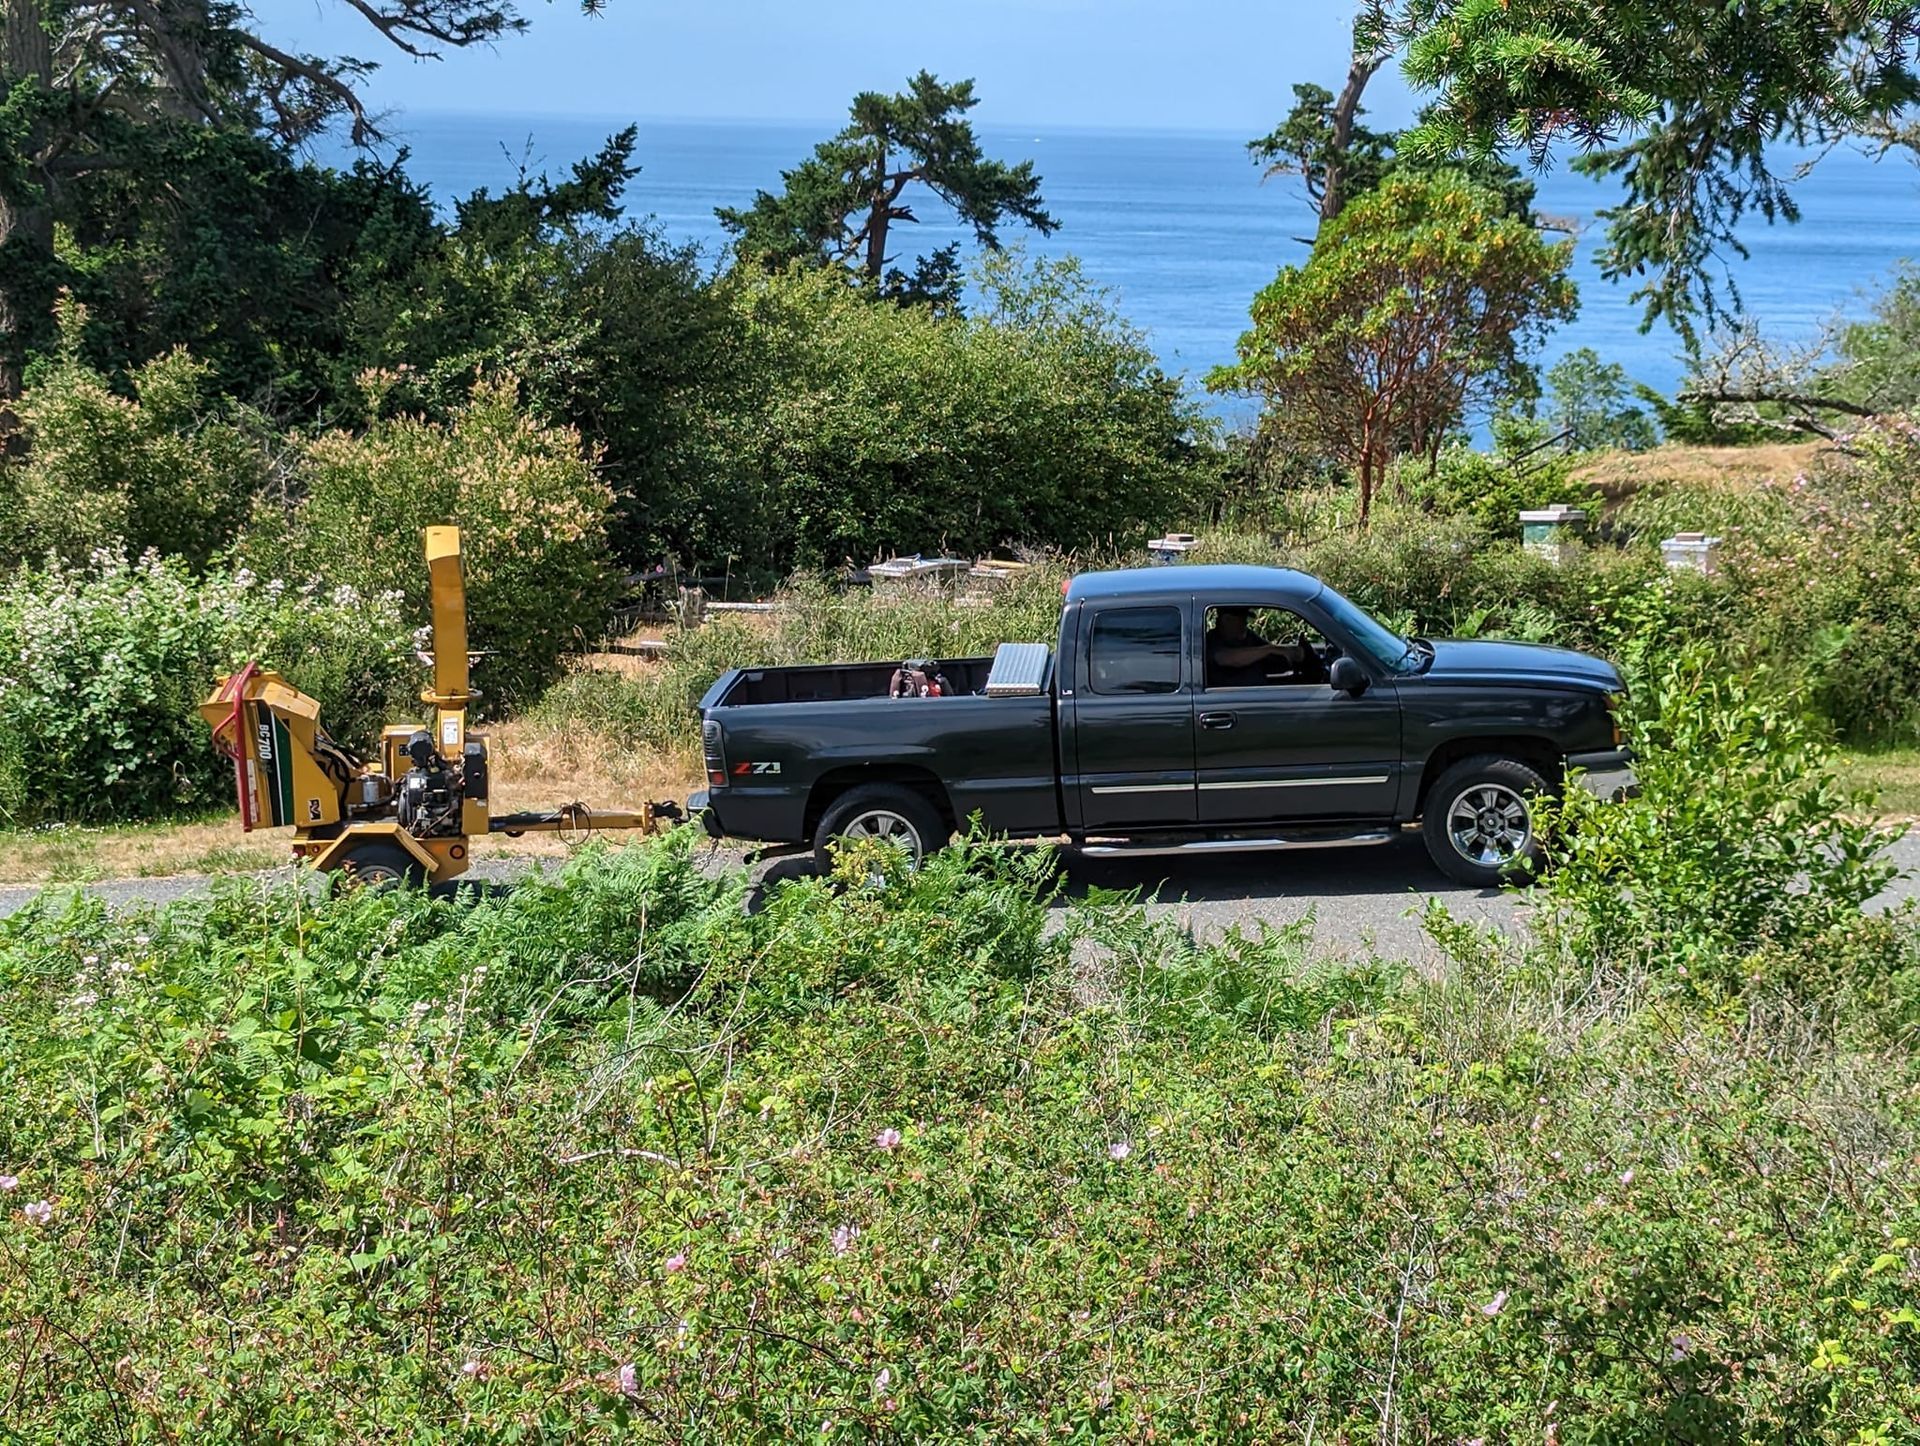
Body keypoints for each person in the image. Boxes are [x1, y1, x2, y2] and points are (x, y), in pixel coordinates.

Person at [1206, 607, 1318, 688]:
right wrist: (1269, 649)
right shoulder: (1212, 640)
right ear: (1227, 619)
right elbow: (1228, 658)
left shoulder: (1248, 637)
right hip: (1234, 702)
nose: (1245, 624)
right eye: (1241, 620)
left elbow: (1271, 653)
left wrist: (1293, 653)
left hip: (1259, 693)